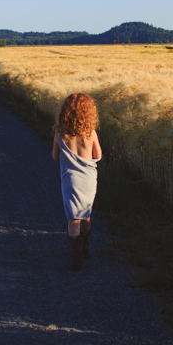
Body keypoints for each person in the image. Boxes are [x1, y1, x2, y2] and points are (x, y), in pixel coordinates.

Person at [52, 93, 102, 270]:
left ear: (65, 112)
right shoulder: (91, 133)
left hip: (70, 180)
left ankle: (76, 259)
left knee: (73, 218)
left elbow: (55, 157)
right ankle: (85, 248)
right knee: (86, 215)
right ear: (89, 112)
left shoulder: (60, 133)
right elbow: (98, 156)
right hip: (88, 180)